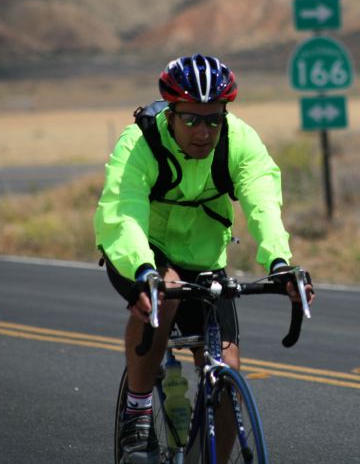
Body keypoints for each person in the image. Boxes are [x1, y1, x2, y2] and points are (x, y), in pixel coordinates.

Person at [94, 54, 313, 464]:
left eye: (213, 119)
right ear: (172, 114)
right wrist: (143, 271)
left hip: (205, 256)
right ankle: (138, 413)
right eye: (192, 119)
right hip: (141, 250)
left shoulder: (239, 141)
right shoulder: (141, 143)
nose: (203, 131)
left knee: (227, 367)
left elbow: (263, 203)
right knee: (169, 290)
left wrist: (280, 263)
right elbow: (122, 213)